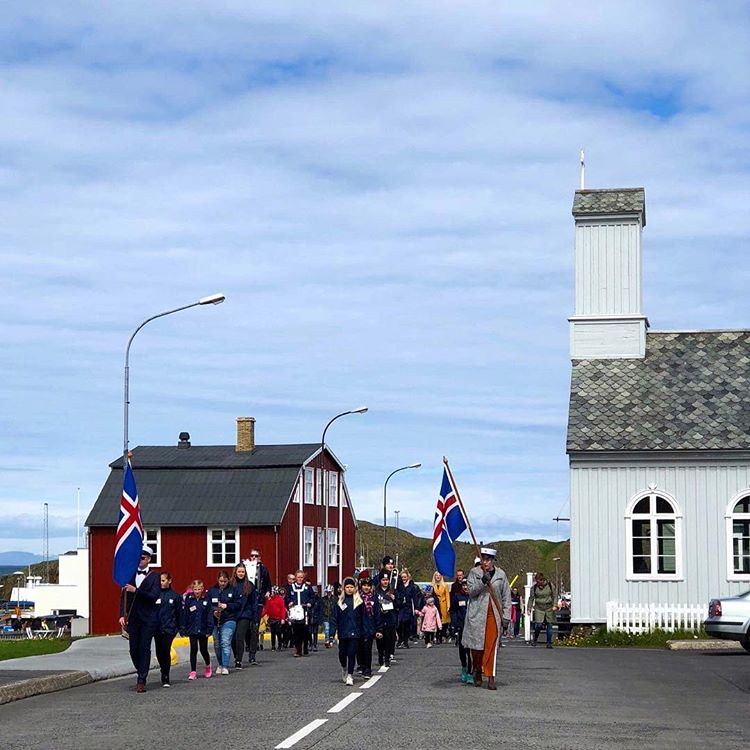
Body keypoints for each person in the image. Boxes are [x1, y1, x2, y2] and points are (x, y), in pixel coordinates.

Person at [462, 547, 512, 691]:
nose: (486, 562)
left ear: (492, 561)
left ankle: (490, 677)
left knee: (491, 646)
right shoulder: (474, 573)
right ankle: (477, 669)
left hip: (494, 615)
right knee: (477, 647)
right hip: (477, 614)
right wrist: (482, 582)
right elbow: (470, 592)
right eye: (483, 559)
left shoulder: (501, 575)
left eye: (488, 560)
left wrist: (506, 616)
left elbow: (506, 597)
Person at [119, 545, 161, 693]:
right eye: (137, 558)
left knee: (144, 648)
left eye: (142, 558)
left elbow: (154, 596)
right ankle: (141, 669)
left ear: (149, 559)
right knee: (133, 649)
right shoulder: (130, 574)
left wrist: (136, 590)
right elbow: (123, 596)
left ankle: (141, 679)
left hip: (148, 618)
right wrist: (121, 615)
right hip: (133, 617)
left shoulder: (154, 576)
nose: (139, 560)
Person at [330, 576, 364, 685]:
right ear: (344, 588)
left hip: (355, 632)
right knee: (342, 653)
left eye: (351, 587)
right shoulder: (339, 603)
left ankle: (350, 675)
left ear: (355, 588)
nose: (349, 589)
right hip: (343, 632)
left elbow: (364, 618)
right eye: (347, 587)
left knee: (351, 653)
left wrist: (365, 632)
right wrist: (331, 634)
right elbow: (334, 619)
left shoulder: (359, 602)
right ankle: (344, 668)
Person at [207, 570, 239, 674]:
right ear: (218, 580)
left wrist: (227, 606)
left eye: (225, 581)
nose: (223, 583)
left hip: (229, 619)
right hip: (216, 620)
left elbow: (238, 604)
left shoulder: (233, 590)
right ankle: (220, 664)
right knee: (217, 644)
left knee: (225, 641)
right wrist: (214, 611)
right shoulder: (212, 590)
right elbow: (207, 605)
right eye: (221, 581)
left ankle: (225, 665)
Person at [181, 579, 212, 680]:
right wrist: (184, 628)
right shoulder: (189, 600)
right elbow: (185, 615)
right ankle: (193, 671)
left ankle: (208, 666)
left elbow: (209, 615)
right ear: (192, 589)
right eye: (195, 589)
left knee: (203, 650)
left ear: (202, 589)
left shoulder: (206, 600)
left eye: (199, 589)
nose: (197, 591)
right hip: (192, 628)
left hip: (203, 629)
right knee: (193, 649)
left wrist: (209, 629)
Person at [154, 571, 181, 688]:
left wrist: (179, 628)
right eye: (160, 581)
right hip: (156, 627)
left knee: (166, 649)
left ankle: (166, 676)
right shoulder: (155, 595)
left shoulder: (175, 596)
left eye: (163, 580)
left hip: (170, 628)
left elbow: (179, 613)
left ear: (169, 581)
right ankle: (163, 668)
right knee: (159, 652)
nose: (161, 583)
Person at [230, 563, 257, 669]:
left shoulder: (249, 585)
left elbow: (254, 602)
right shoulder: (231, 585)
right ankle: (237, 654)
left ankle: (239, 660)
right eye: (239, 572)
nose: (241, 574)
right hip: (233, 614)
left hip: (245, 614)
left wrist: (255, 617)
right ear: (235, 573)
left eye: (242, 572)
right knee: (232, 639)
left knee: (240, 636)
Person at [286, 570, 314, 657]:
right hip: (295, 612)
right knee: (296, 632)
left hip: (305, 612)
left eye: (301, 577)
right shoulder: (291, 588)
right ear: (296, 578)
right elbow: (287, 598)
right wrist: (289, 602)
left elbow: (312, 597)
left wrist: (310, 603)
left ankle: (305, 647)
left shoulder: (307, 587)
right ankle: (297, 650)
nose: (300, 579)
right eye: (298, 577)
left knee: (305, 631)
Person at [450, 578, 472, 683]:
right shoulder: (457, 597)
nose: (466, 587)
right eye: (464, 585)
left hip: (472, 628)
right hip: (462, 626)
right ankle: (464, 667)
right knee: (462, 651)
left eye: (467, 585)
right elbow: (453, 611)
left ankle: (471, 673)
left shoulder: (474, 597)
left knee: (471, 651)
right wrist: (455, 625)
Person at [357, 577, 380, 678]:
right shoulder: (357, 598)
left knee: (367, 648)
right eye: (364, 585)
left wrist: (379, 629)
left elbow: (377, 614)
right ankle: (361, 665)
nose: (366, 587)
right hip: (359, 626)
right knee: (359, 648)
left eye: (368, 586)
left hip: (370, 626)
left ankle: (368, 669)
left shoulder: (374, 598)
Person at [527, 572, 557, 648]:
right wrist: (529, 609)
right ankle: (535, 639)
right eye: (536, 581)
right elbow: (531, 599)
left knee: (549, 625)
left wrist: (554, 605)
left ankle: (549, 643)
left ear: (542, 580)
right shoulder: (534, 588)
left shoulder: (550, 585)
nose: (537, 583)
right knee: (538, 625)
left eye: (538, 581)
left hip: (549, 607)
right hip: (539, 608)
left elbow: (554, 595)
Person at [374, 572, 397, 667]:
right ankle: (380, 654)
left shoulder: (392, 591)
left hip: (390, 618)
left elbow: (398, 604)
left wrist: (394, 599)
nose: (385, 582)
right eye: (383, 580)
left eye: (387, 580)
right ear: (380, 581)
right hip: (380, 618)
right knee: (380, 640)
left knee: (389, 639)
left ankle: (387, 658)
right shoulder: (376, 591)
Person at [396, 568, 421, 649]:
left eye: (405, 577)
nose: (403, 579)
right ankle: (400, 639)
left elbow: (415, 598)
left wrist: (416, 608)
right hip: (400, 607)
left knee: (407, 624)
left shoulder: (412, 586)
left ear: (408, 577)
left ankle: (405, 641)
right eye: (402, 577)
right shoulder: (398, 586)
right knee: (399, 624)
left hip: (408, 607)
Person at [263, 587, 287, 651]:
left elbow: (283, 610)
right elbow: (266, 609)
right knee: (273, 632)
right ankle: (273, 646)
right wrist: (261, 615)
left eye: (273, 592)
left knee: (278, 632)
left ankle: (279, 644)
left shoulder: (280, 599)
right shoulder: (269, 600)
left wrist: (283, 618)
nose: (271, 594)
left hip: (278, 619)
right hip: (271, 618)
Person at [431, 572, 451, 644]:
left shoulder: (445, 585)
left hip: (443, 604)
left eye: (439, 575)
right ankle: (436, 636)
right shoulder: (432, 585)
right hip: (435, 604)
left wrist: (448, 606)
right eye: (436, 575)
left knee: (444, 621)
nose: (438, 577)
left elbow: (447, 596)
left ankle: (443, 635)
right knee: (435, 620)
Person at [308, 585, 322, 651]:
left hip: (316, 617)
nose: (314, 594)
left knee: (315, 632)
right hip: (309, 617)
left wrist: (320, 621)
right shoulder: (308, 600)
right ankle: (310, 644)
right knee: (309, 632)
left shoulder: (319, 600)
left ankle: (315, 644)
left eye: (315, 592)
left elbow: (320, 610)